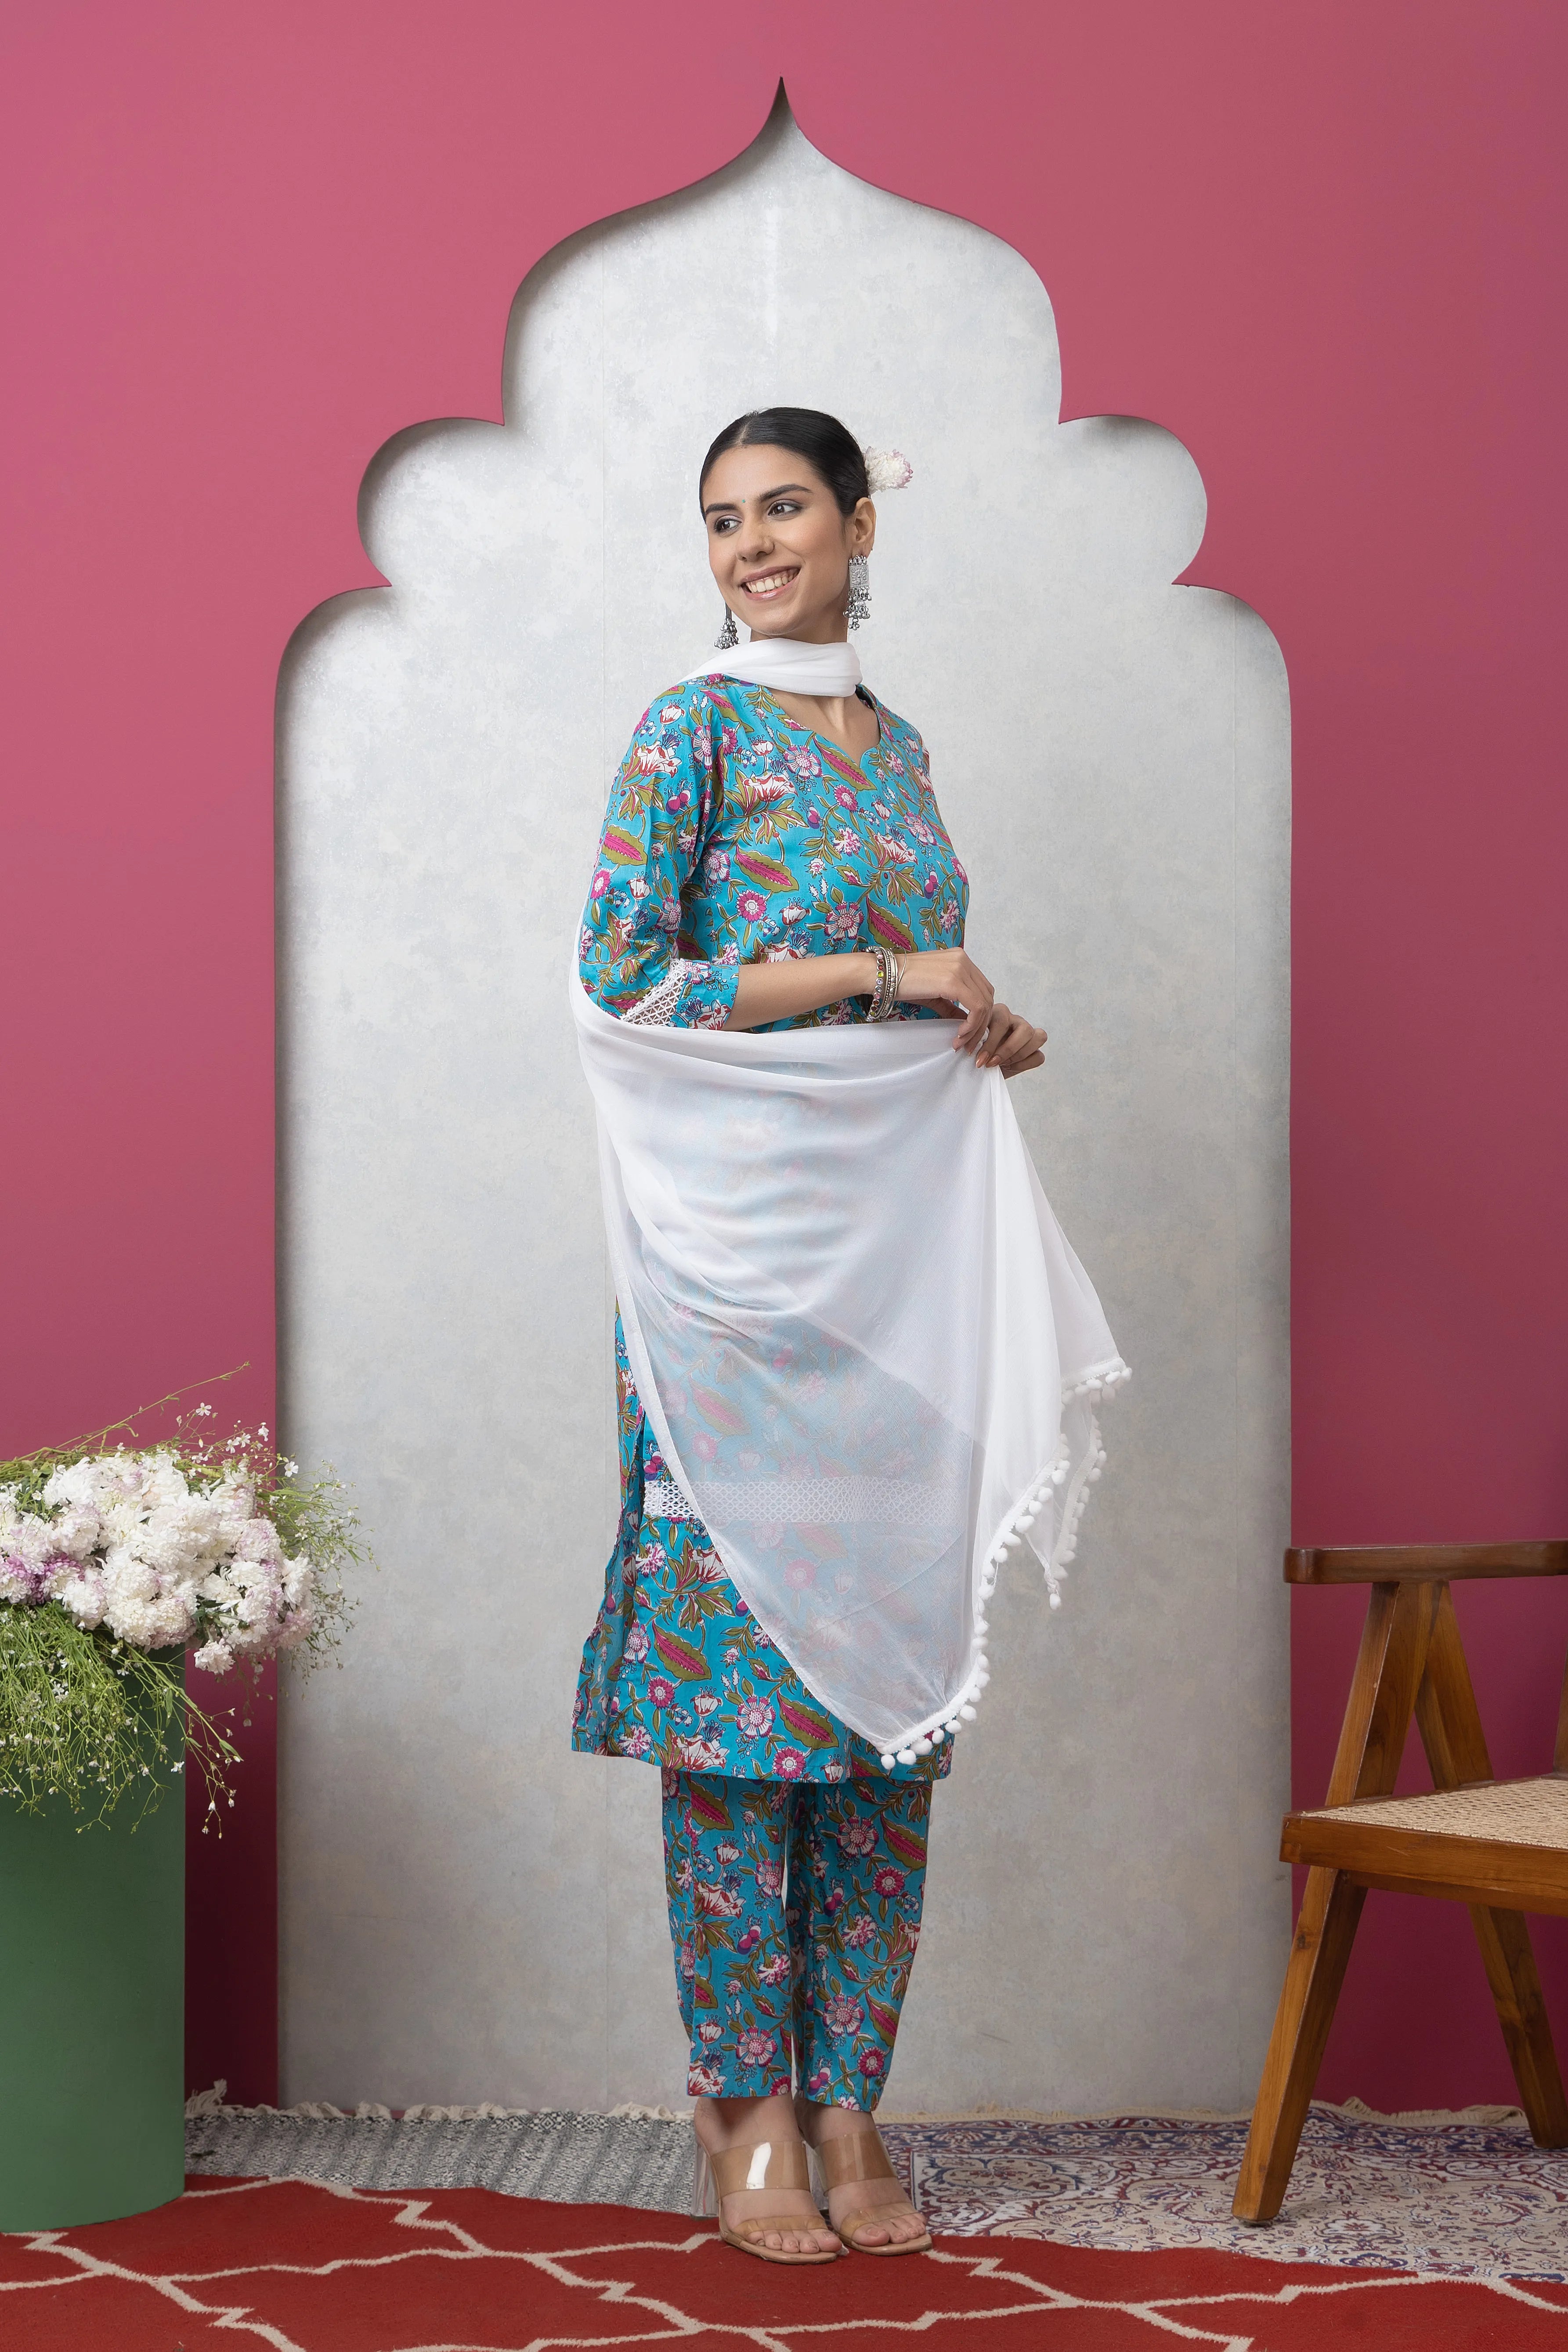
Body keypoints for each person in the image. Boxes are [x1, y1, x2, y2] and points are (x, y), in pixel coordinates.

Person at [571, 408, 1119, 2265]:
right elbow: (624, 983)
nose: (747, 543)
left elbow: (910, 986)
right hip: (732, 1294)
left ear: (859, 519)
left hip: (897, 1289)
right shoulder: (689, 729)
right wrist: (893, 979)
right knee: (739, 1717)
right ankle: (738, 2103)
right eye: (719, 518)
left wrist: (972, 1027)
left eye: (782, 505)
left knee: (885, 1703)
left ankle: (848, 2095)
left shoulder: (902, 753)